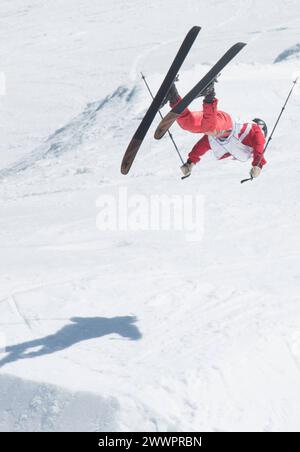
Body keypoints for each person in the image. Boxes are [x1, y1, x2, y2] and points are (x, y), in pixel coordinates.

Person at [161, 78, 267, 178]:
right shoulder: (254, 130)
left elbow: (203, 145)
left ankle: (173, 95)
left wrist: (190, 162)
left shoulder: (236, 149)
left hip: (211, 118)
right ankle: (209, 94)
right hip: (226, 122)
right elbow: (259, 145)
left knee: (188, 124)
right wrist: (258, 165)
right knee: (210, 129)